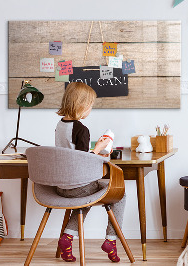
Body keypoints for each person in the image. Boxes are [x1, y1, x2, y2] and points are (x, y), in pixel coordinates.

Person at [55, 82, 125, 263]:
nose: (90, 109)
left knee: (85, 197)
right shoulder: (81, 129)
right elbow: (83, 161)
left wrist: (95, 149)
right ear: (82, 105)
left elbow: (72, 154)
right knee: (120, 194)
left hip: (61, 186)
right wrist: (100, 148)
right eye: (90, 105)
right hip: (78, 186)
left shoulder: (60, 125)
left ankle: (67, 238)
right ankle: (111, 240)